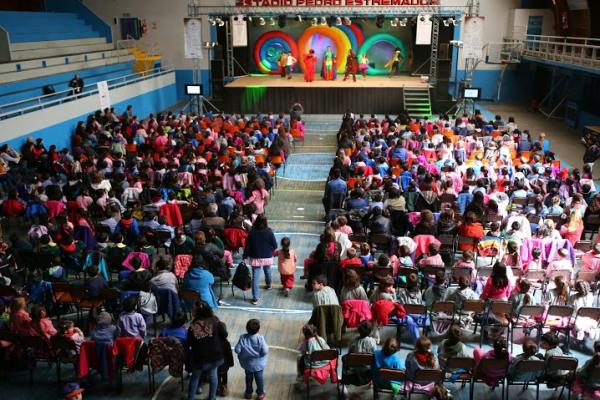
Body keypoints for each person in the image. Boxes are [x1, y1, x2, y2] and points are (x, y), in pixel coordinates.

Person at [186, 300, 228, 400]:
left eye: (193, 309)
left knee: (195, 377)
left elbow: (189, 343)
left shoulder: (192, 327)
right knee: (213, 375)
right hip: (216, 357)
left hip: (201, 360)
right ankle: (212, 398)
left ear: (198, 312)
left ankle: (190, 398)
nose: (191, 310)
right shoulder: (215, 321)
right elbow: (224, 334)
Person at [243, 215, 278, 305]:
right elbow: (275, 246)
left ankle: (255, 298)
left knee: (255, 278)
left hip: (255, 257)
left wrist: (244, 257)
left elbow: (247, 247)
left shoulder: (251, 233)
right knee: (268, 271)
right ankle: (269, 284)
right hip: (267, 257)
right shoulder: (269, 232)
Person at [235, 319, 269, 400]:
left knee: (248, 378)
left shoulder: (242, 338)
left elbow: (237, 350)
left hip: (247, 364)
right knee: (259, 378)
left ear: (246, 328)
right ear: (258, 329)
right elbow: (265, 351)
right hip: (259, 365)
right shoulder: (260, 338)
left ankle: (248, 393)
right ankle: (260, 394)